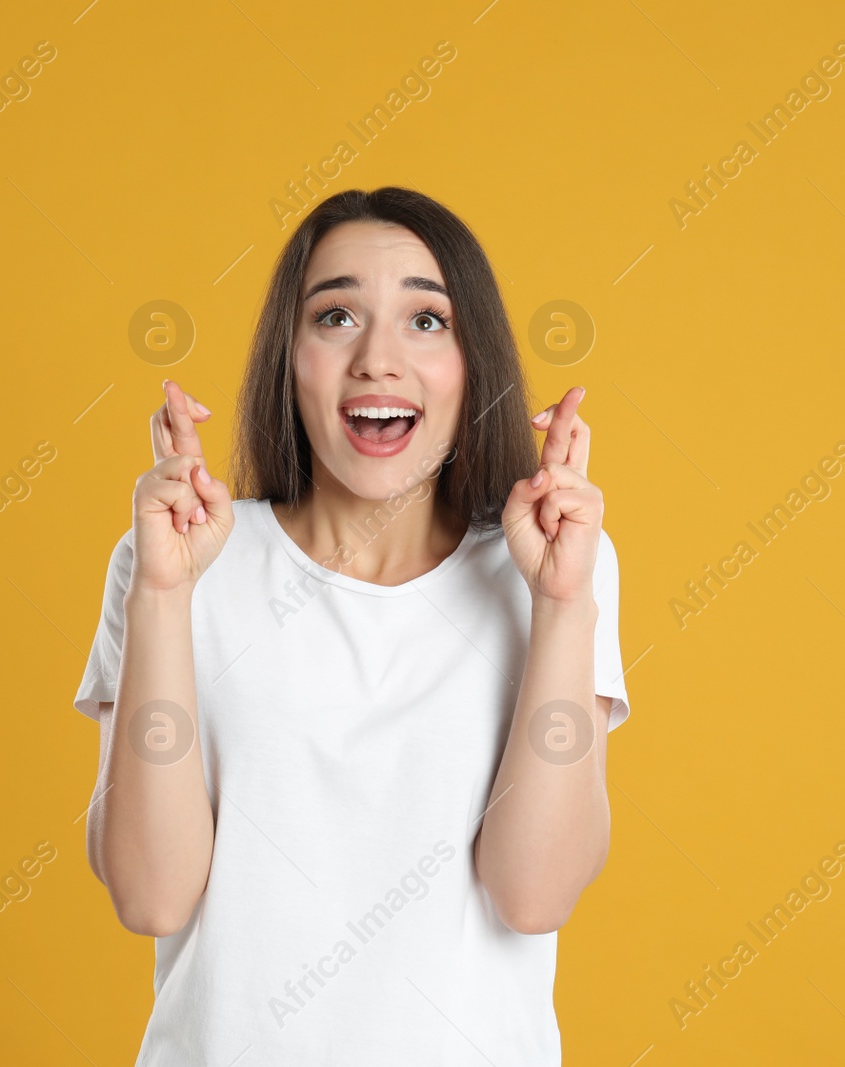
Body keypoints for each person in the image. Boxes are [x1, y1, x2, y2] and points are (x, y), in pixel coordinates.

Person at [74, 186, 630, 1065]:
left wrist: (562, 604)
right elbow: (150, 895)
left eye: (426, 320)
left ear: (472, 363)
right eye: (336, 316)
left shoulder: (557, 570)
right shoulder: (180, 565)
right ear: (287, 358)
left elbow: (534, 894)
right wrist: (162, 596)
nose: (378, 358)